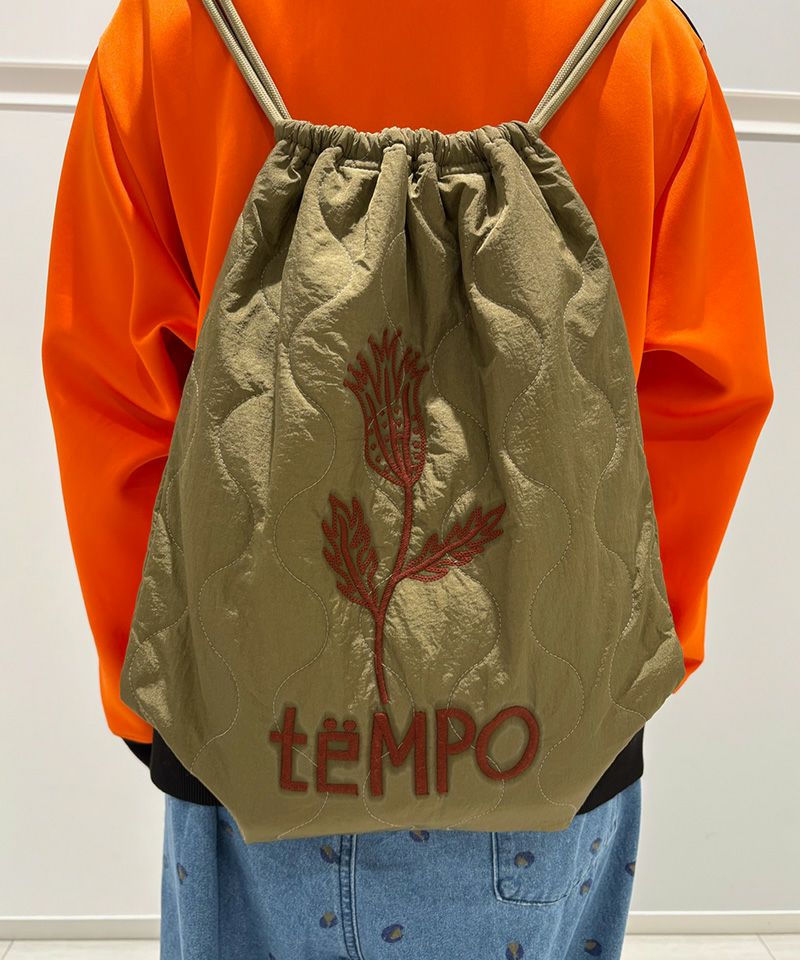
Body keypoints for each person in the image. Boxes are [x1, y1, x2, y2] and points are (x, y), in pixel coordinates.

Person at [41, 0, 773, 957]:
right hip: (549, 742)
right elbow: (705, 398)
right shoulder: (646, 49)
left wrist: (154, 706)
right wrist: (618, 669)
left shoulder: (169, 35)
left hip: (254, 739)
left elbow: (113, 396)